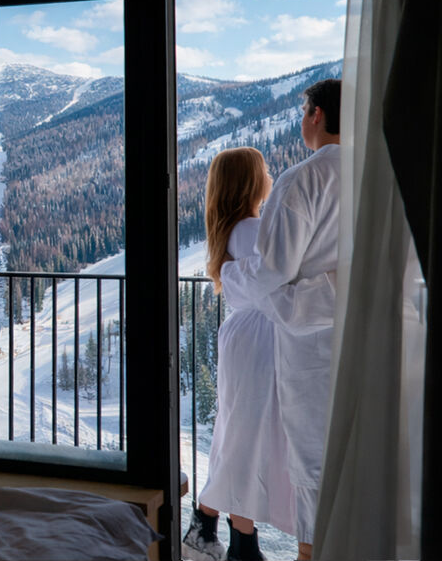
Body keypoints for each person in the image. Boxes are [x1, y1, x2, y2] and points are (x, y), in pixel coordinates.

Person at [219, 79, 341, 561]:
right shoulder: (378, 175)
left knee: (313, 464)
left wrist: (232, 276)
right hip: (370, 338)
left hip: (311, 348)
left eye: (303, 111)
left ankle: (309, 553)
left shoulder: (304, 179)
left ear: (316, 115)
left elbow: (273, 270)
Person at [181, 147, 294, 561]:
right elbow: (282, 275)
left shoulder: (234, 229)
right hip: (260, 341)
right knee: (247, 438)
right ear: (251, 182)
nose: (270, 174)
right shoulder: (253, 229)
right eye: (264, 169)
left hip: (244, 339)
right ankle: (239, 543)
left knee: (237, 433)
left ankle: (212, 527)